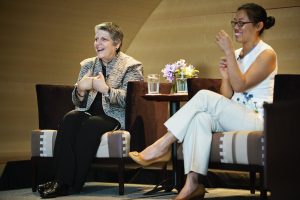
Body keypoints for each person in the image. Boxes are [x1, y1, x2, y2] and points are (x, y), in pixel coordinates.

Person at [129, 3, 276, 200]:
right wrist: (225, 75)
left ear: (258, 26)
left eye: (241, 23)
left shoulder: (267, 54)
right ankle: (192, 184)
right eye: (234, 22)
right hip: (236, 113)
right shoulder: (238, 55)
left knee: (205, 96)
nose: (236, 27)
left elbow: (241, 85)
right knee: (200, 117)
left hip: (257, 118)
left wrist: (229, 52)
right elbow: (227, 96)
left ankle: (163, 145)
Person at [37, 22, 143, 198]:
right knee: (69, 119)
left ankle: (71, 185)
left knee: (90, 125)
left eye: (104, 39)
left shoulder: (131, 66)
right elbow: (77, 102)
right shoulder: (88, 64)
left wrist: (106, 89)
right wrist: (80, 90)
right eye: (96, 39)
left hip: (112, 115)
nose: (97, 43)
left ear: (116, 44)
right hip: (87, 111)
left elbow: (131, 100)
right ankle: (61, 181)